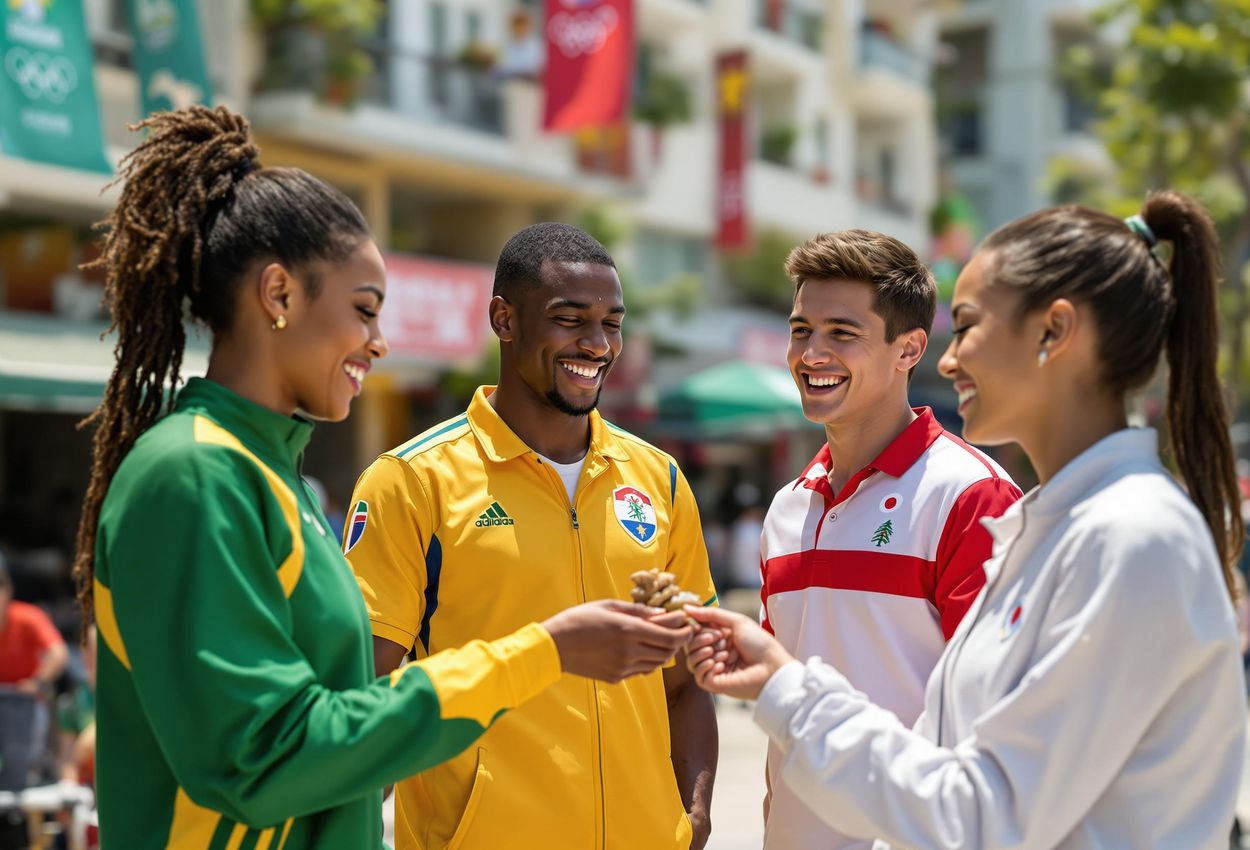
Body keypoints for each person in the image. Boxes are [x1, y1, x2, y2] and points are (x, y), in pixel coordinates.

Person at [71, 107, 694, 850]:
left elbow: (347, 722)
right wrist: (542, 653)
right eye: (364, 309)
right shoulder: (196, 473)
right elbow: (264, 757)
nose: (381, 341)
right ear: (278, 296)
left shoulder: (272, 477)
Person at [684, 192, 1247, 850]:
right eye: (801, 329)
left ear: (1054, 332)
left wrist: (787, 690)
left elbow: (983, 815)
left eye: (971, 324)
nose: (948, 361)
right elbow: (962, 770)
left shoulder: (1126, 536)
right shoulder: (1057, 527)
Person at [346, 222, 720, 850]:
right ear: (504, 319)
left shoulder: (660, 479)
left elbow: (684, 681)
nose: (597, 343)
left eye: (612, 322)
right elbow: (366, 701)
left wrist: (695, 816)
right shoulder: (411, 482)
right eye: (569, 318)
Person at [759, 230, 1020, 850]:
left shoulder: (971, 497)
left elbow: (1000, 726)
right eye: (801, 330)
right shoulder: (787, 507)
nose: (812, 353)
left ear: (909, 350)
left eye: (842, 333)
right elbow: (778, 698)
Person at [0, 558, 69, 790]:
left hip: (25, 705)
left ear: (7, 591)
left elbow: (59, 653)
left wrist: (36, 682)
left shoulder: (27, 617)